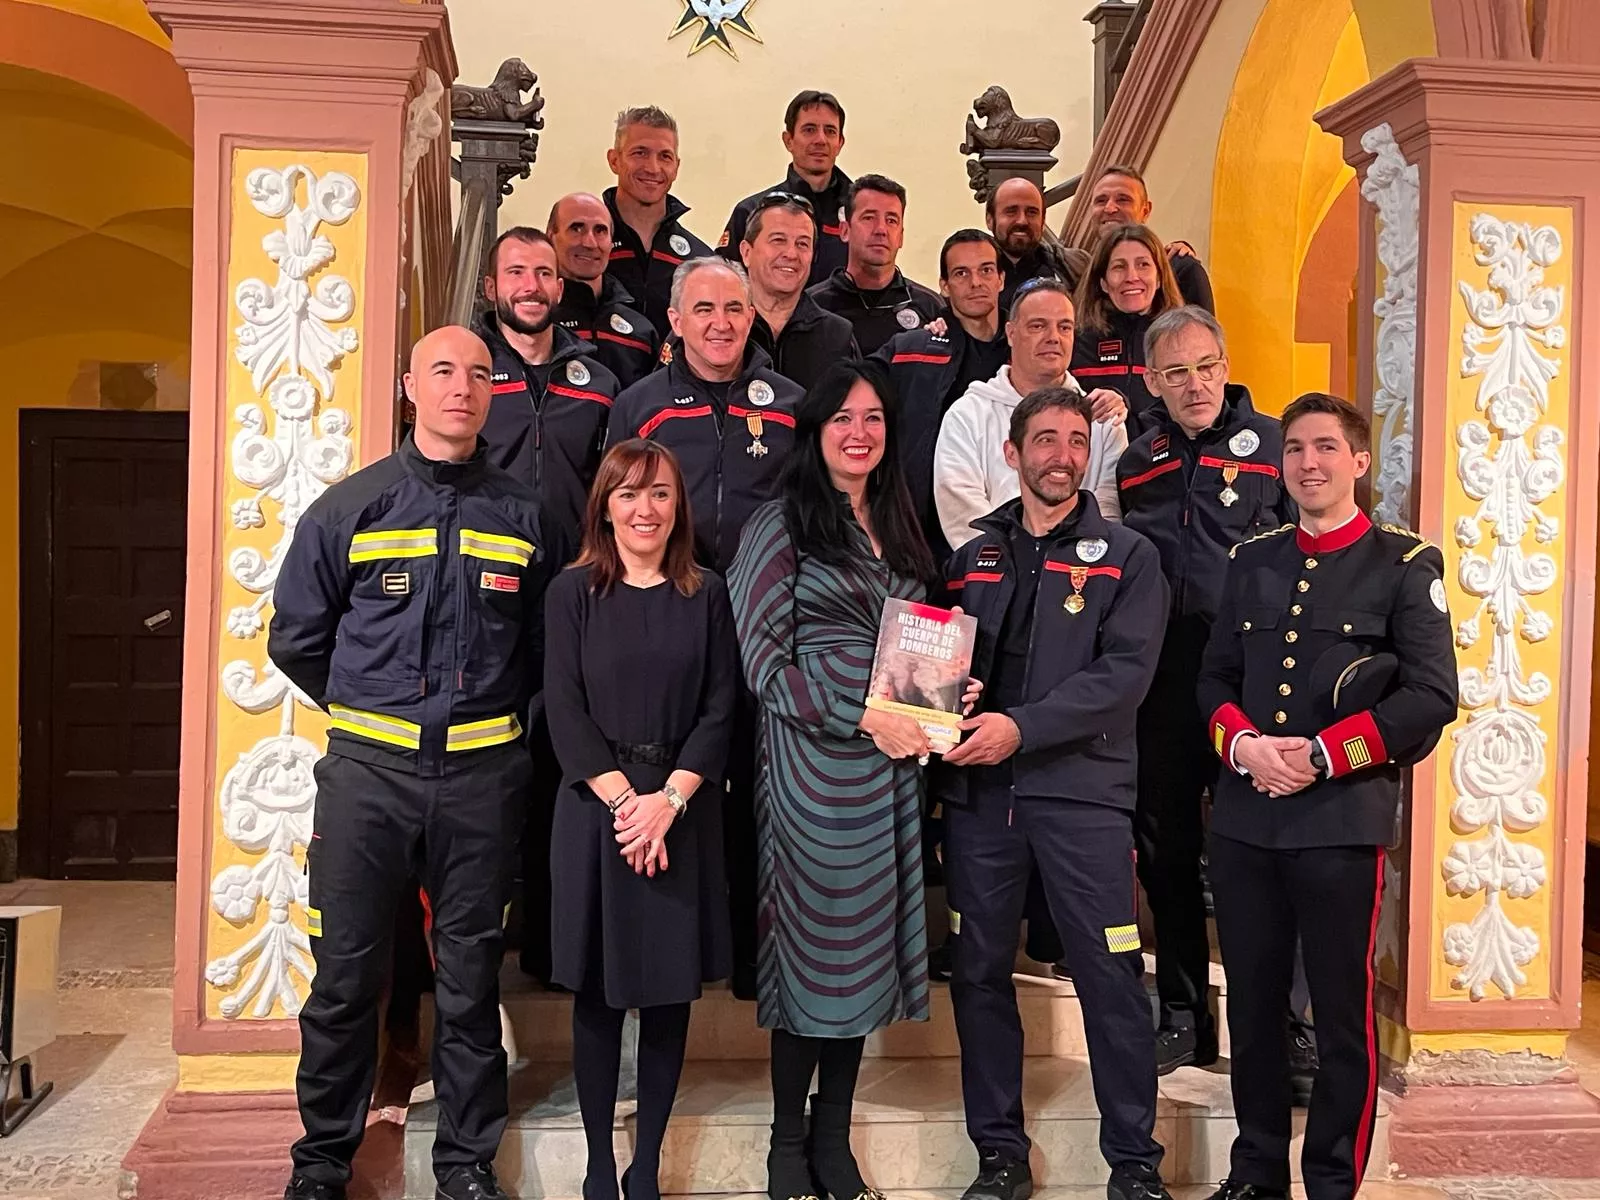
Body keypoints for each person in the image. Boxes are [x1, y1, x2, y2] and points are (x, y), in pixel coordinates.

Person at [273, 326, 557, 1200]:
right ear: (409, 387)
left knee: (470, 985)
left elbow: (546, 650)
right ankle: (322, 1163)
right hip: (367, 783)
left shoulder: (523, 515)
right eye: (443, 371)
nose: (462, 388)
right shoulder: (349, 508)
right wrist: (377, 718)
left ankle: (464, 1167)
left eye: (479, 373)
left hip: (481, 785)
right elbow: (297, 638)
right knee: (347, 980)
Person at [1198, 393, 1457, 1200]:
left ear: (1358, 462)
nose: (1308, 463)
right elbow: (1214, 679)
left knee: (1342, 1018)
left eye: (1325, 448)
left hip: (1340, 821)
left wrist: (1321, 755)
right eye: (1296, 450)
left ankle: (1333, 1182)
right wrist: (1243, 744)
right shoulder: (1254, 560)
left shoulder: (1406, 564)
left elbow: (1430, 696)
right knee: (1254, 1009)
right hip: (1245, 822)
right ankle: (1257, 1173)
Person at [729, 359, 976, 1200]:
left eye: (872, 418)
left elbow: (918, 647)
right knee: (810, 956)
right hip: (810, 763)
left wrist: (949, 692)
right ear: (815, 430)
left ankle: (832, 1143)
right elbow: (762, 661)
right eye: (842, 418)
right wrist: (861, 713)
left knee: (861, 962)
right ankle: (784, 1147)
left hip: (890, 772)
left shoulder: (903, 527)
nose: (859, 431)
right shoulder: (782, 522)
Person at [936, 385, 1172, 1200]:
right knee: (978, 974)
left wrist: (1020, 727)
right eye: (1045, 440)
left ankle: (1134, 1164)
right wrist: (953, 698)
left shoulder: (1129, 557)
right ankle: (998, 1153)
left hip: (1083, 801)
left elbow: (1122, 680)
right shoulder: (973, 557)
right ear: (1013, 454)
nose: (1062, 455)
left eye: (1076, 440)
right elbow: (944, 668)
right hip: (982, 804)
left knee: (1110, 976)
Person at [544, 439, 738, 1200]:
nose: (644, 509)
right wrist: (629, 803)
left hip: (680, 813)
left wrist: (670, 802)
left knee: (664, 997)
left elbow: (722, 708)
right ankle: (598, 1164)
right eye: (628, 494)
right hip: (598, 811)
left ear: (677, 506)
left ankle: (646, 1164)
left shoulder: (707, 594)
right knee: (597, 993)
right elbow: (562, 705)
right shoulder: (571, 595)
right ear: (605, 506)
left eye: (659, 494)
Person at [607, 257, 802, 1001]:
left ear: (751, 317)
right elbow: (617, 509)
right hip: (670, 615)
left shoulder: (788, 402)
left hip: (762, 622)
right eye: (705, 309)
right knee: (678, 779)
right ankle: (679, 949)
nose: (721, 323)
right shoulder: (639, 405)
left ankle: (755, 958)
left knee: (756, 784)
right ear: (677, 321)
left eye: (734, 308)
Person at [1115, 306, 1294, 1075]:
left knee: (1258, 850)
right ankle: (1184, 1013)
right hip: (1164, 677)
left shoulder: (1276, 445)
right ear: (1152, 380)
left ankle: (1286, 1028)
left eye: (1207, 366)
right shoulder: (1136, 456)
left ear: (1226, 365)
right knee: (1167, 849)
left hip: (1252, 678)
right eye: (1176, 372)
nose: (1195, 384)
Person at [476, 226, 619, 986]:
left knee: (566, 763)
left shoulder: (597, 382)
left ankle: (556, 942)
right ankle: (493, 930)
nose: (531, 284)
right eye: (516, 272)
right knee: (500, 771)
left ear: (559, 287)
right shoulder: (472, 375)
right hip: (486, 605)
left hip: (575, 601)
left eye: (542, 271)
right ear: (493, 287)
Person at [933, 279, 1128, 550]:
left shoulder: (1103, 419)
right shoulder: (967, 415)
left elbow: (1107, 511)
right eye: (1038, 326)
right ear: (1011, 333)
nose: (1053, 337)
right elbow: (962, 512)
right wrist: (1017, 566)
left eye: (1065, 327)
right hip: (994, 575)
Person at [874, 229, 1011, 564]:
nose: (976, 282)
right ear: (944, 286)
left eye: (986, 270)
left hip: (1007, 526)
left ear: (1001, 279)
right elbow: (852, 391)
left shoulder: (1026, 349)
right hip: (919, 531)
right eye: (961, 273)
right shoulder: (912, 350)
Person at [720, 90, 852, 287]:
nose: (820, 140)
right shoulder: (750, 212)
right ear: (788, 140)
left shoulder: (858, 214)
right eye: (809, 130)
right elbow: (724, 288)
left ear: (840, 143)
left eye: (830, 131)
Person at [604, 106, 713, 338]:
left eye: (665, 156)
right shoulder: (582, 249)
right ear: (614, 160)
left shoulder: (700, 259)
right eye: (639, 153)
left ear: (676, 167)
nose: (653, 168)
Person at [1070, 223, 1185, 436]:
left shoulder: (1182, 341)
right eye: (1119, 267)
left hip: (1165, 463)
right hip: (1096, 464)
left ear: (1159, 277)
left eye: (1143, 265)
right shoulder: (1076, 341)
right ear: (1103, 282)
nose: (1132, 276)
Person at [808, 174, 942, 355]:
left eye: (891, 220)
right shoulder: (812, 306)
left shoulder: (930, 306)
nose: (881, 230)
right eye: (869, 218)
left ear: (900, 237)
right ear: (845, 231)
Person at [739, 191, 859, 388]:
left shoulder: (837, 336)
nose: (791, 254)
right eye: (778, 240)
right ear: (746, 252)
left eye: (802, 244)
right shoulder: (721, 328)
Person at [548, 192, 661, 389]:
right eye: (576, 228)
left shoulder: (641, 331)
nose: (590, 243)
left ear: (611, 242)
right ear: (551, 236)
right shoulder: (539, 322)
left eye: (600, 231)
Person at [1074, 165, 1214, 314]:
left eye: (1123, 200)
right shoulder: (1076, 268)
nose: (1109, 208)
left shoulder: (1182, 270)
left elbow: (1206, 334)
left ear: (1145, 211)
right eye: (1101, 201)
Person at [986, 176, 1077, 319]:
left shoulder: (1072, 269)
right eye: (1011, 211)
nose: (1022, 220)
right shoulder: (970, 276)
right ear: (990, 220)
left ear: (1043, 220)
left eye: (1032, 212)